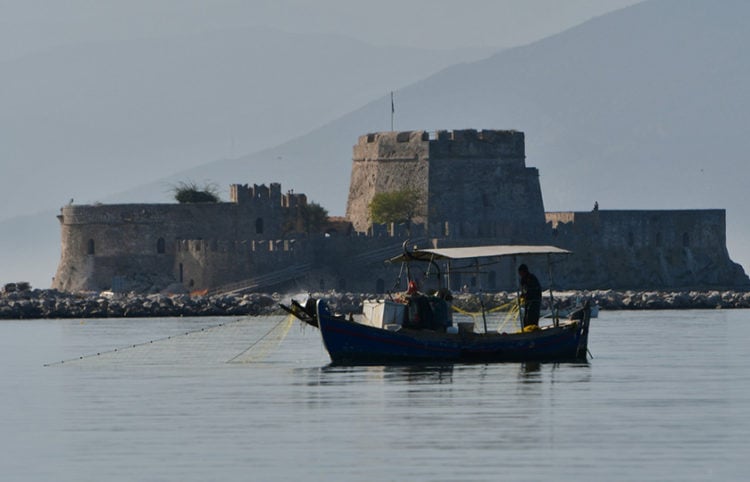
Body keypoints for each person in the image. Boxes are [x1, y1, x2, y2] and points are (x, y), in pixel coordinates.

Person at [518, 264, 542, 328]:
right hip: (527, 301)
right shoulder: (522, 280)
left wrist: (526, 295)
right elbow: (524, 291)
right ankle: (526, 330)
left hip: (534, 301)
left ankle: (533, 329)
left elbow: (534, 291)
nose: (520, 274)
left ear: (524, 271)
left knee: (532, 317)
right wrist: (522, 295)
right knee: (526, 318)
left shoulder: (532, 278)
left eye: (521, 272)